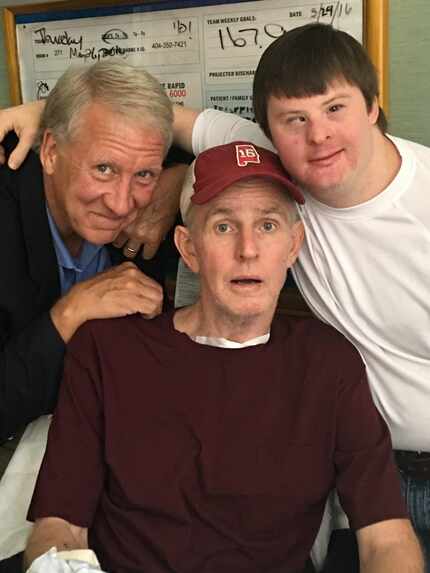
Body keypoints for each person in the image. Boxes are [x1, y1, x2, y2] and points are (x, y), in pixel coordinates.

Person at [2, 22, 430, 565]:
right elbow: (59, 526)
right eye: (224, 227)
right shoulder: (109, 349)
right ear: (187, 247)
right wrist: (45, 110)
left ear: (296, 243)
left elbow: (386, 539)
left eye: (269, 227)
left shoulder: (329, 364)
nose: (249, 249)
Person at [0, 58, 183, 443]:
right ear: (49, 152)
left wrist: (187, 175)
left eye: (144, 175)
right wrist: (70, 313)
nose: (120, 204)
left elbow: (283, 153)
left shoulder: (159, 195)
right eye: (103, 169)